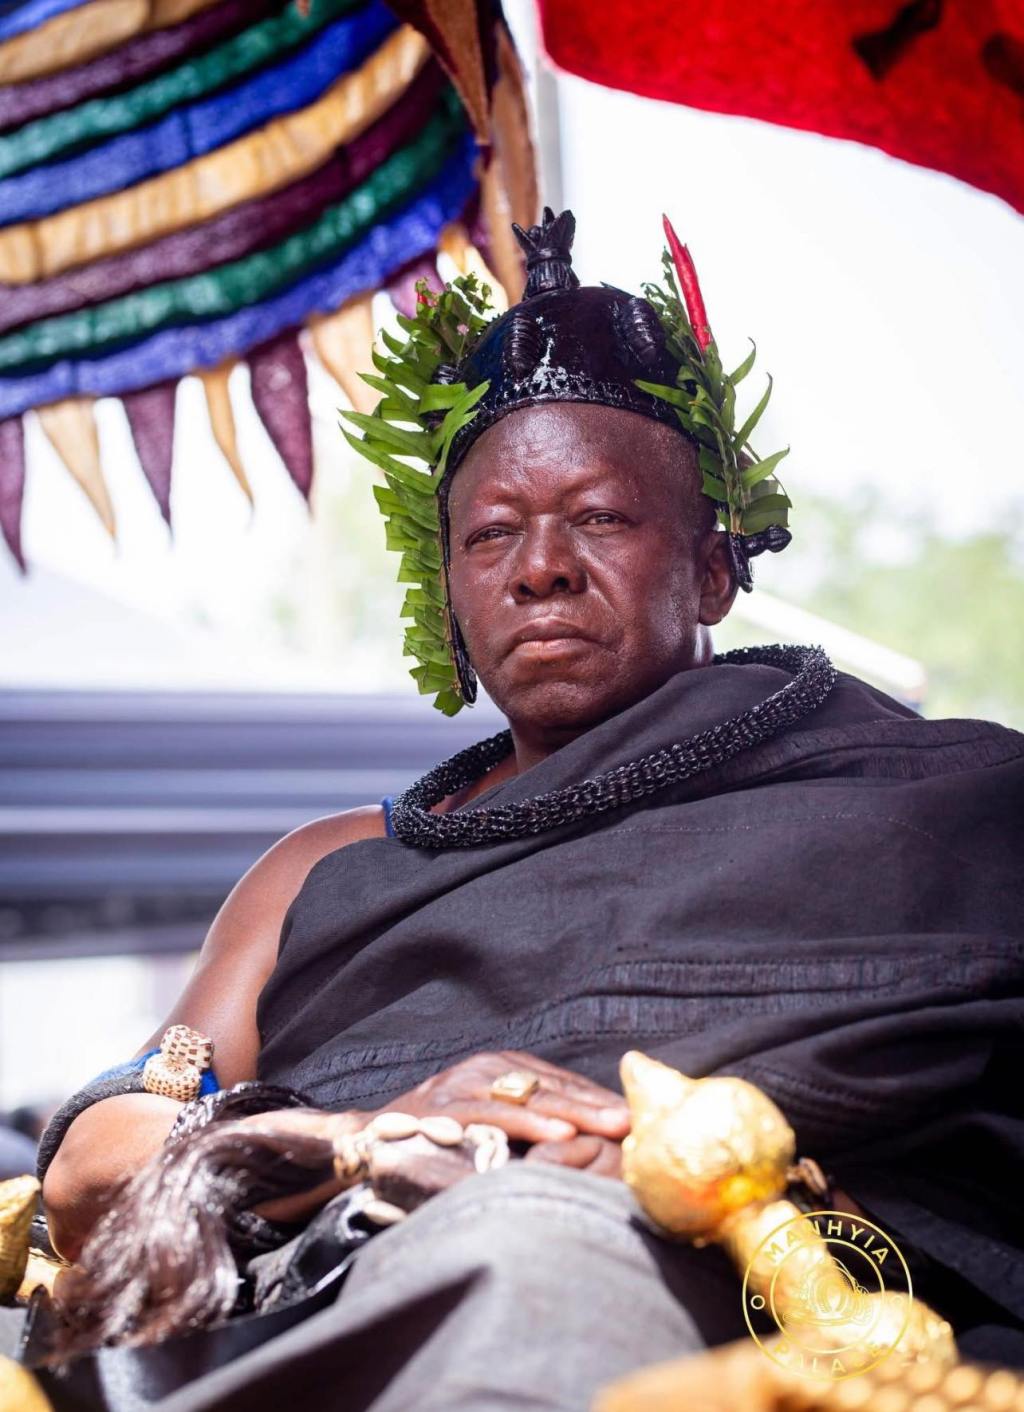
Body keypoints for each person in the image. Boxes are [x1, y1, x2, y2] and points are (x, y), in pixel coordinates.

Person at [34, 210, 1024, 1408]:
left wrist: (738, 1177)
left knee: (533, 1254)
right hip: (327, 1285)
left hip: (761, 1299)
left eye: (598, 517)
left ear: (711, 568)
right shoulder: (324, 867)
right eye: (492, 532)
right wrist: (362, 1134)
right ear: (450, 597)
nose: (538, 564)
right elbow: (102, 1159)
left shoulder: (950, 798)